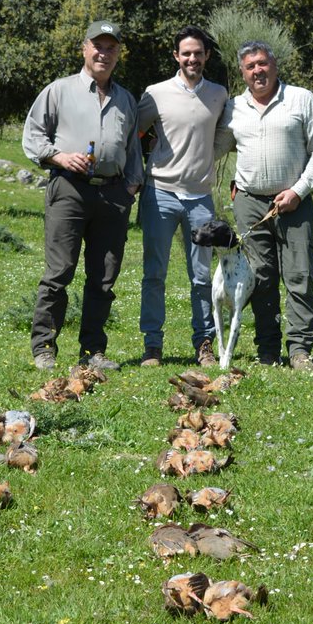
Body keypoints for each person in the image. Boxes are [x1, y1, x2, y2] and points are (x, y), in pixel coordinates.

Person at [22, 20, 143, 372]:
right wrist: (59, 156)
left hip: (113, 195)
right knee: (59, 272)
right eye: (98, 46)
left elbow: (133, 150)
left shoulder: (126, 99)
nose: (104, 53)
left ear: (118, 53)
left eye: (111, 47)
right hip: (69, 191)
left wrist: (131, 187)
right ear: (84, 48)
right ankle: (44, 347)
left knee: (103, 279)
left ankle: (93, 352)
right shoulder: (59, 91)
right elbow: (33, 136)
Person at [214, 40, 313, 371]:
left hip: (294, 202)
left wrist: (298, 190)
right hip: (250, 203)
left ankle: (299, 350)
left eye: (262, 63)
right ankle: (267, 349)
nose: (257, 71)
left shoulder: (300, 99)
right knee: (261, 278)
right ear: (242, 72)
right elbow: (215, 149)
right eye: (250, 66)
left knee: (299, 275)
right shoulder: (234, 108)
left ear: (275, 65)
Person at [136, 26, 227, 368]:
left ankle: (204, 344)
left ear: (207, 56)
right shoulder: (155, 93)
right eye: (186, 53)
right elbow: (136, 132)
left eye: (198, 53)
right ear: (176, 56)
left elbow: (223, 134)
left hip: (200, 197)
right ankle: (152, 347)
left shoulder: (218, 94)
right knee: (154, 273)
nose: (192, 58)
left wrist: (206, 158)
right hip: (160, 193)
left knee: (202, 276)